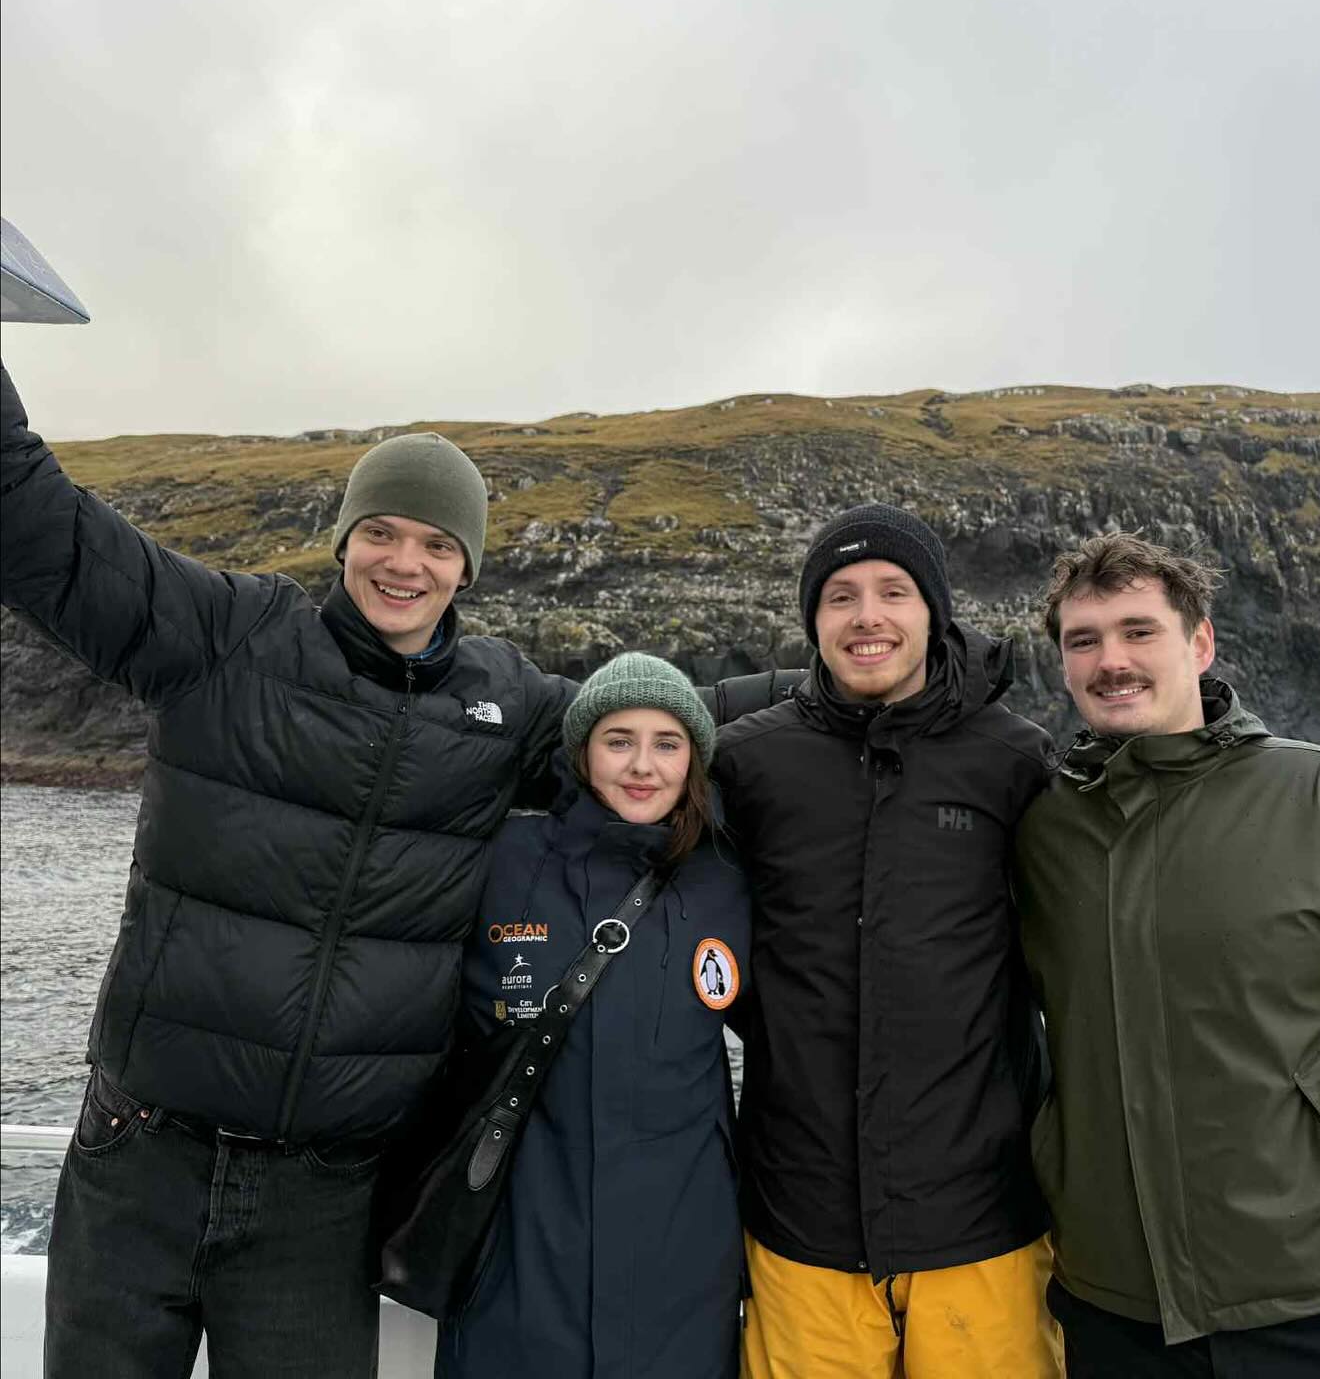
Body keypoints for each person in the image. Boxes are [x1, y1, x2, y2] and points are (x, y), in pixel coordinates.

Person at [0, 365, 788, 1377]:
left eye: (437, 543)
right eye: (381, 532)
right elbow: (47, 536)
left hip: (325, 1191)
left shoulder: (506, 707)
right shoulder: (231, 637)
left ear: (467, 567)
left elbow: (664, 721)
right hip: (143, 1150)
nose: (404, 562)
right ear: (345, 540)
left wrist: (869, 668)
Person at [1013, 532, 1320, 1376]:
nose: (1111, 661)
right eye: (1084, 640)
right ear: (1061, 664)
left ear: (1200, 642)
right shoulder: (1041, 832)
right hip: (1112, 1314)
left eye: (1139, 631)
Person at [711, 504, 1064, 1378]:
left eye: (893, 592)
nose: (867, 616)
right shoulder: (748, 763)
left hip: (981, 1221)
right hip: (802, 1222)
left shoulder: (1016, 760)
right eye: (840, 596)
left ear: (933, 610)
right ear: (813, 621)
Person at [440, 652, 748, 1379]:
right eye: (618, 741)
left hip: (683, 1257)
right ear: (582, 753)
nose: (642, 765)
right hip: (518, 1247)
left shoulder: (728, 879)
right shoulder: (503, 861)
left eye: (667, 743)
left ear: (694, 761)